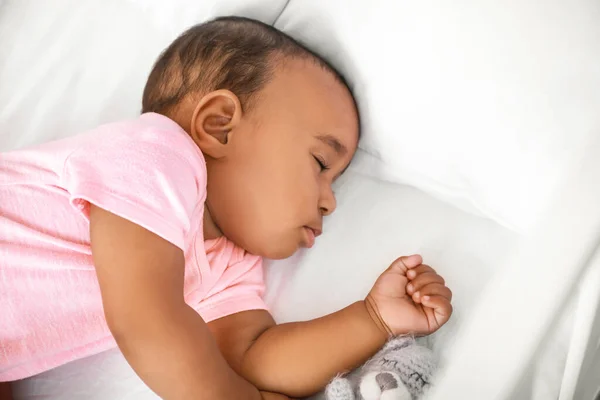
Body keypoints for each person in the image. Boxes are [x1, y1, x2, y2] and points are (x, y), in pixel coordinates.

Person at [0, 16, 452, 400]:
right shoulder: (155, 157)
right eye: (319, 163)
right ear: (218, 127)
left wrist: (371, 320)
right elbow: (145, 322)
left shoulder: (225, 259)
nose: (329, 201)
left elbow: (249, 357)